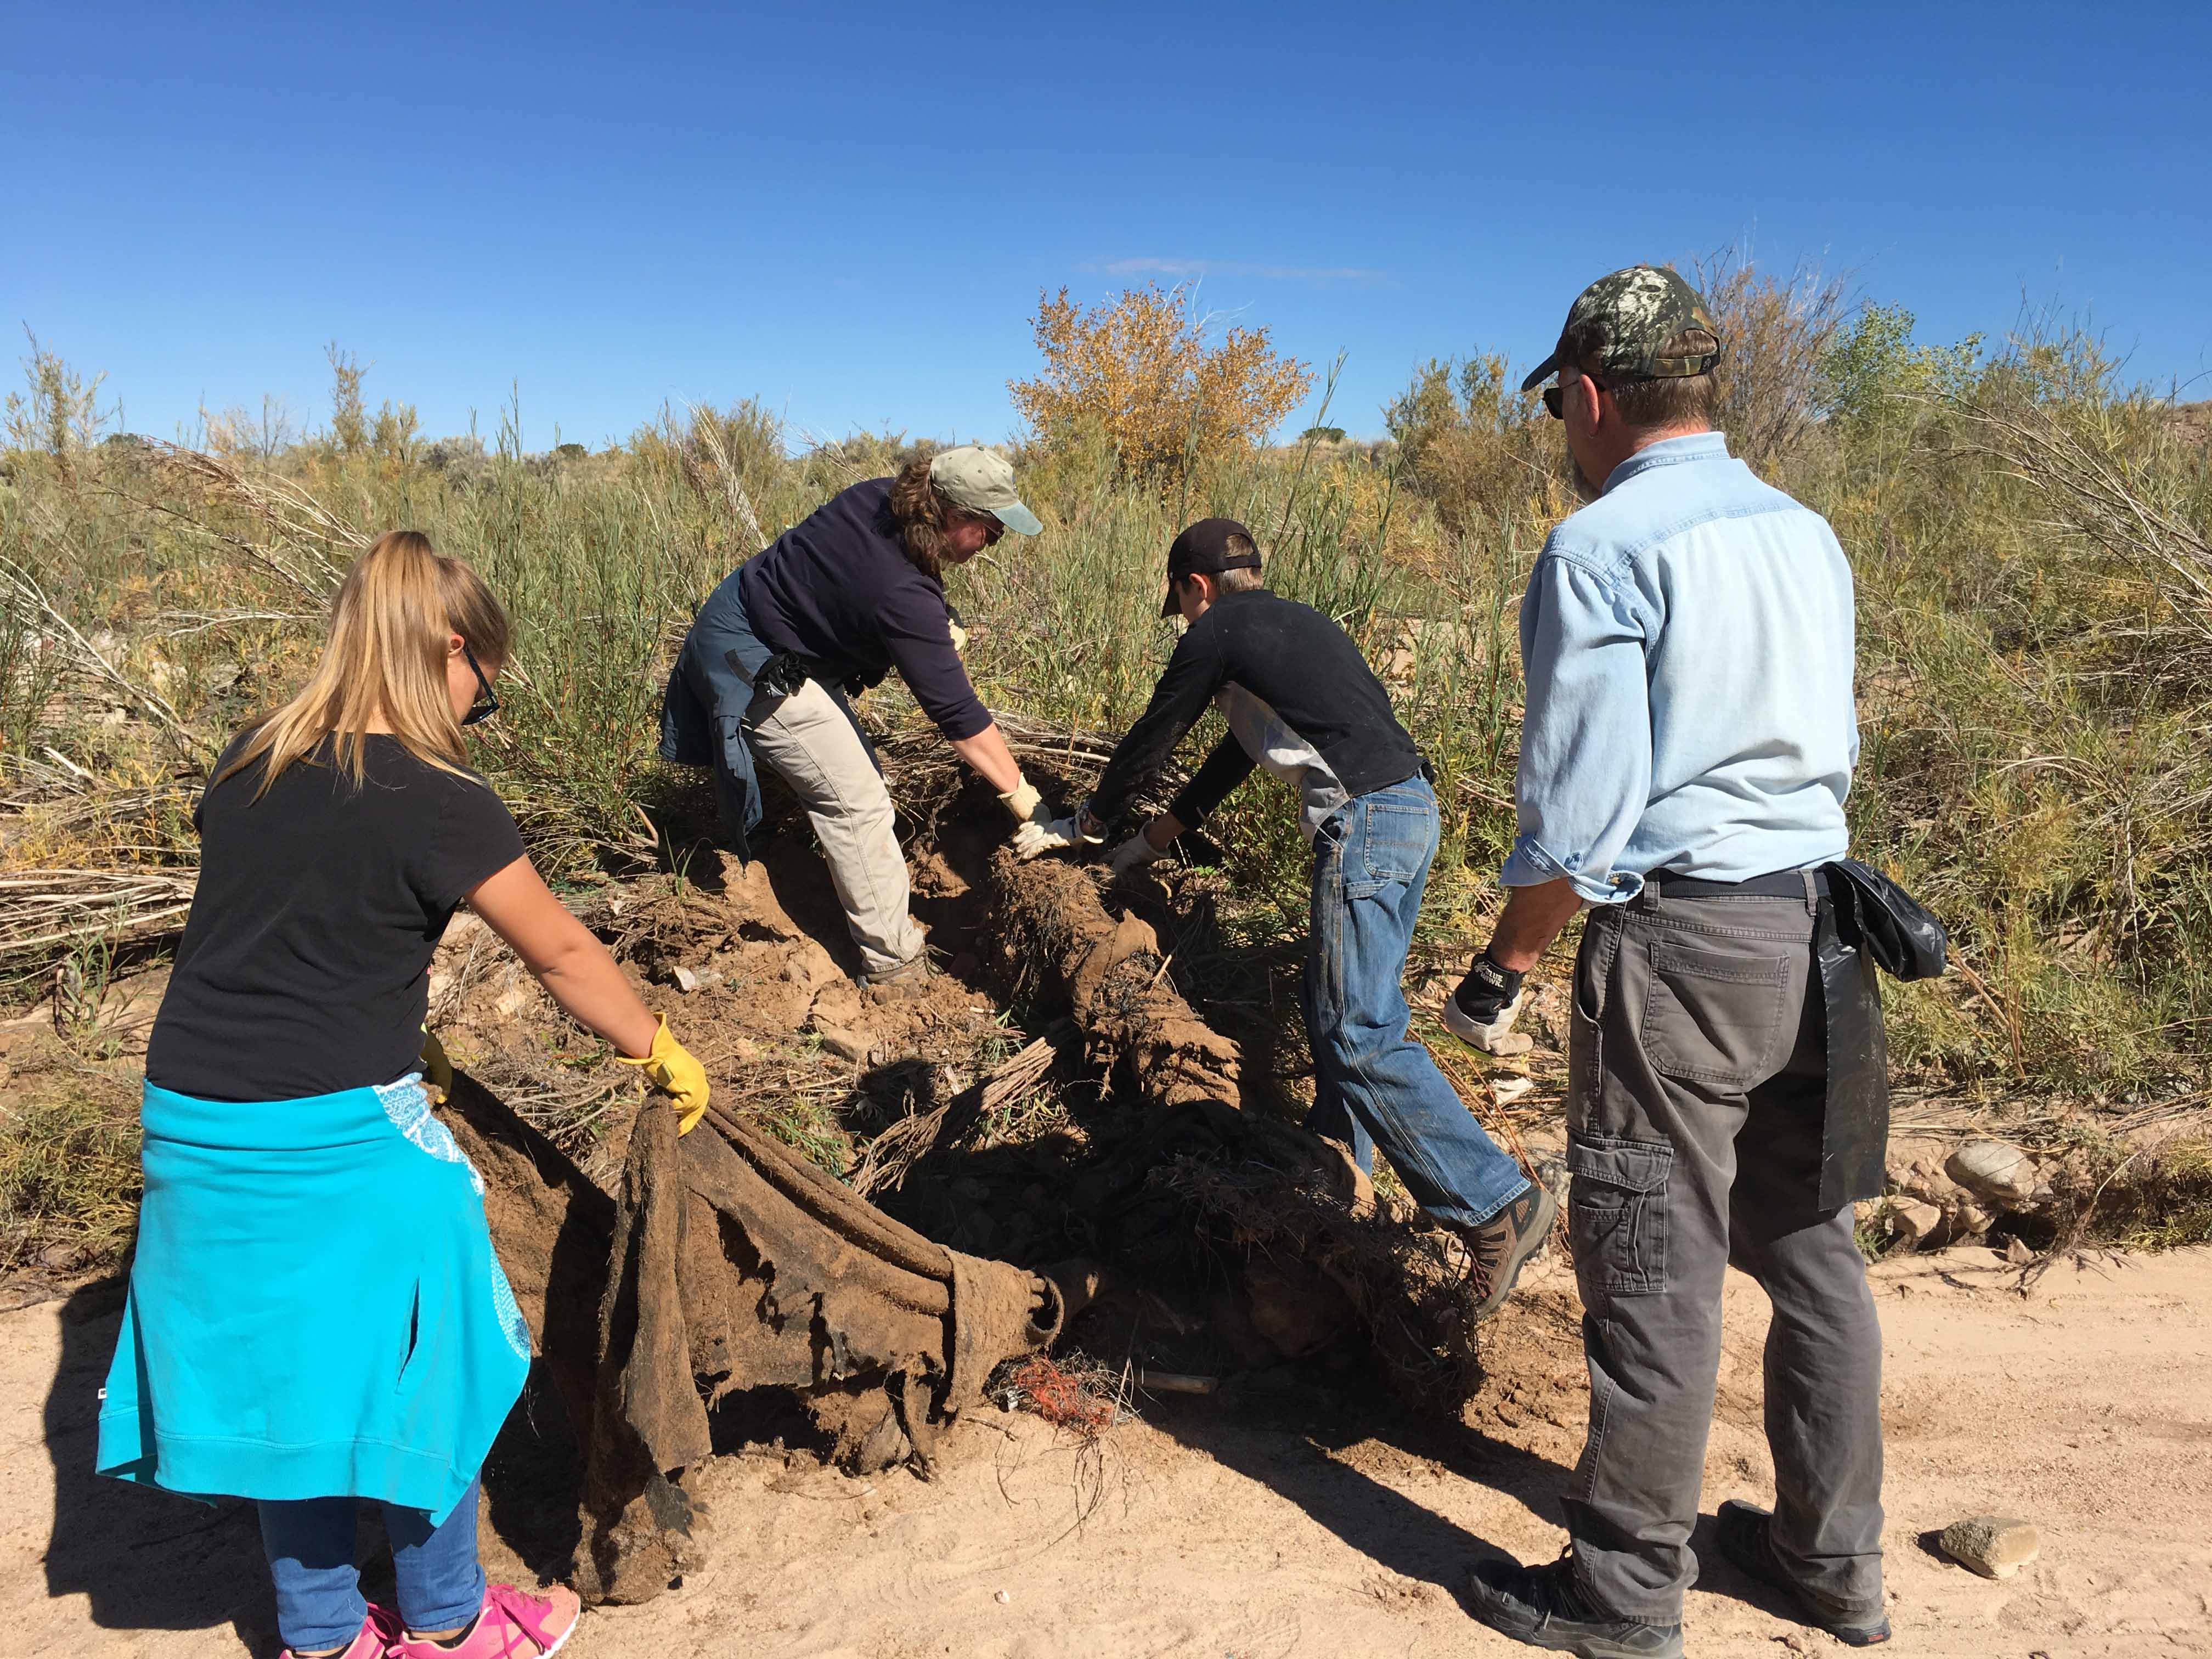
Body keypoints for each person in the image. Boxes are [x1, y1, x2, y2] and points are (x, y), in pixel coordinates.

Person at [98, 532, 710, 1659]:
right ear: (451, 652)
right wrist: (658, 1047)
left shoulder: (250, 759)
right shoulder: (439, 798)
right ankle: (450, 1620)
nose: (478, 709)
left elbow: (287, 919)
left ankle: (324, 1634)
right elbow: (564, 952)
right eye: (483, 686)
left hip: (192, 1124)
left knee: (299, 1388)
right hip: (336, 1128)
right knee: (445, 1362)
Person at [1450, 268, 1891, 1657]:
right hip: (1818, 931)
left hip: (1685, 945)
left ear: (1585, 397)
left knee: (1652, 1267)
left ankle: (1627, 1590)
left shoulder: (1603, 547)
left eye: (1558, 411)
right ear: (1702, 383)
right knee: (1815, 1257)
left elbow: (1578, 826)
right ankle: (1834, 1567)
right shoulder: (1803, 531)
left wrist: (1507, 962)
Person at [1019, 519, 1555, 1318]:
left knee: (1356, 1030)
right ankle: (1341, 1175)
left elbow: (1156, 733)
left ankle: (1494, 1204)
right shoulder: (1290, 627)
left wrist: (1087, 821)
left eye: (1182, 606)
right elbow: (1238, 751)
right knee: (1342, 1008)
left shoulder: (1219, 630)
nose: (1186, 622)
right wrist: (1156, 838)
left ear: (1195, 588)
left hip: (1366, 823)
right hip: (1410, 811)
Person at [661, 445, 1057, 985]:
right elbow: (958, 714)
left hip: (767, 626)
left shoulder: (881, 496)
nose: (994, 541)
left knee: (857, 778)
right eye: (991, 528)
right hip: (749, 657)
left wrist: (939, 616)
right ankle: (892, 964)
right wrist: (1024, 801)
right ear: (954, 514)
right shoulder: (900, 594)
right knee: (856, 802)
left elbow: (877, 575)